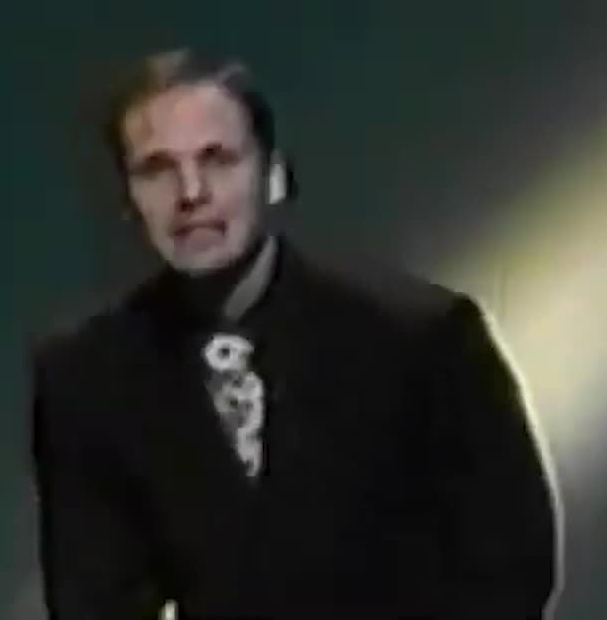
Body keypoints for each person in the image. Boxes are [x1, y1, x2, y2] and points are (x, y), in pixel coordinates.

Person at [28, 47, 560, 619]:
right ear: (128, 200)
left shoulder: (421, 339)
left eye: (218, 160)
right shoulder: (90, 378)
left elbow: (511, 571)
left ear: (274, 175)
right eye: (156, 170)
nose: (190, 193)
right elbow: (93, 605)